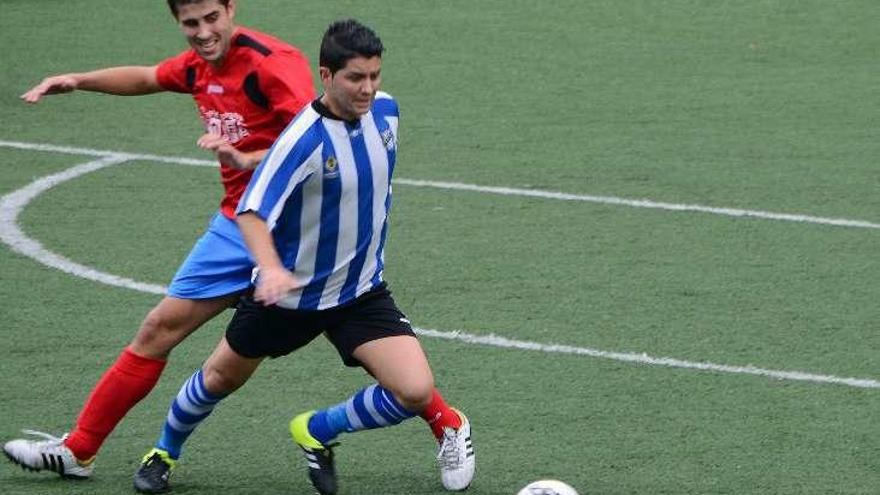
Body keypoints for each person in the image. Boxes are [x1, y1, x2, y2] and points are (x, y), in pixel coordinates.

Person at [131, 19, 476, 495]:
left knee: (414, 391)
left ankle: (317, 430)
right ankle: (163, 451)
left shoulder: (388, 113)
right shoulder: (304, 139)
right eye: (356, 78)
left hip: (359, 291)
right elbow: (251, 212)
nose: (368, 88)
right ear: (326, 75)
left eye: (374, 76)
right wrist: (270, 269)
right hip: (291, 295)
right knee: (218, 378)